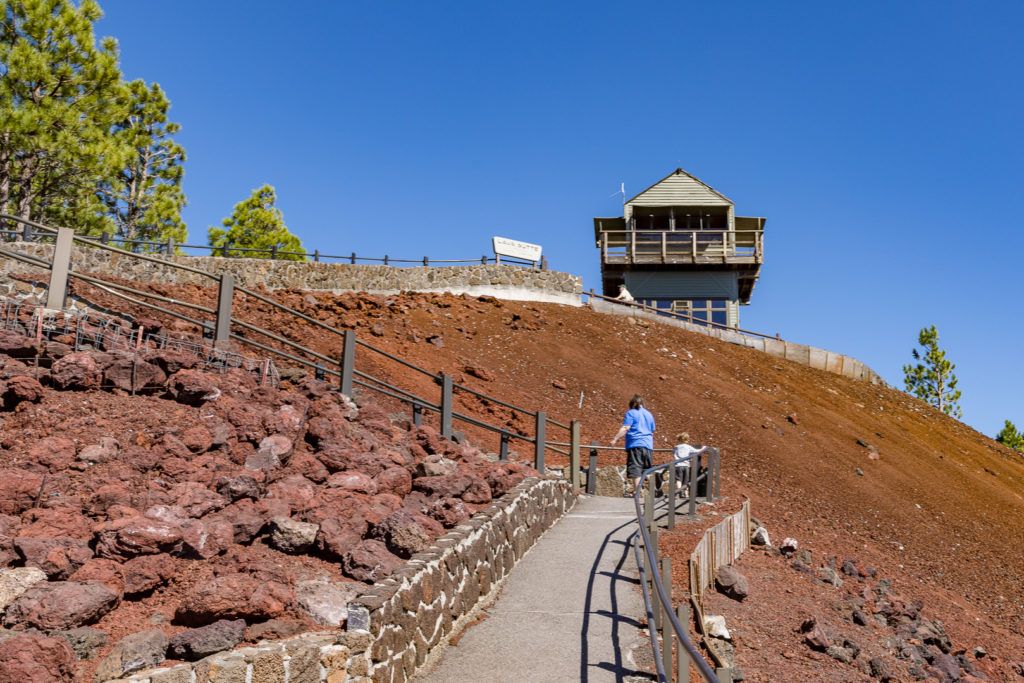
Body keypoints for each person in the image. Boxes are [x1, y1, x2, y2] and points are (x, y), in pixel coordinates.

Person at [610, 394, 656, 495]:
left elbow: (626, 428)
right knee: (646, 469)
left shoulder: (631, 413)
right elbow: (652, 430)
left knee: (636, 469)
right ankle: (655, 487)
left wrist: (615, 439)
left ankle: (637, 492)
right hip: (648, 445)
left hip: (636, 444)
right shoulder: (649, 414)